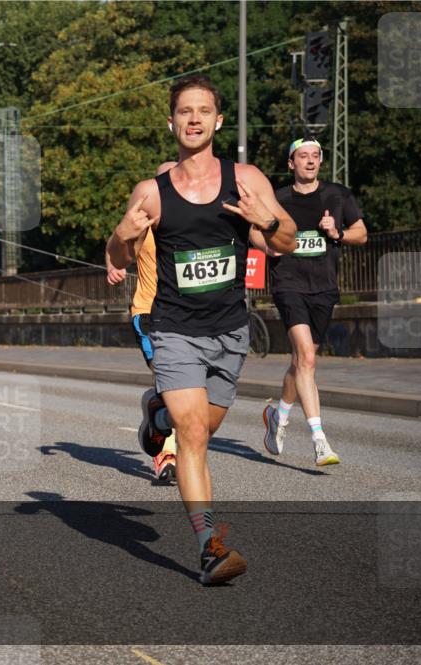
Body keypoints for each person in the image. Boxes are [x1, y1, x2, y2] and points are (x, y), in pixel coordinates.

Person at [107, 75, 296, 585]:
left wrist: (269, 221)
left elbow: (289, 244)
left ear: (218, 120)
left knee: (202, 429)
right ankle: (209, 547)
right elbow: (117, 253)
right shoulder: (152, 191)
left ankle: (158, 411)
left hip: (230, 330)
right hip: (173, 329)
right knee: (193, 436)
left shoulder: (247, 179)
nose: (193, 119)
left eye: (203, 111)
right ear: (171, 123)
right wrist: (120, 239)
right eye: (184, 112)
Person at [262, 138, 368, 465]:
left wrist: (337, 233)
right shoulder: (277, 199)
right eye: (302, 156)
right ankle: (319, 439)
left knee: (302, 361)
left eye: (315, 156)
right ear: (290, 163)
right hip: (288, 283)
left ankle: (278, 415)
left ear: (320, 162)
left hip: (324, 286)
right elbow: (257, 233)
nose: (309, 161)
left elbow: (362, 234)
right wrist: (270, 246)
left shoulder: (337, 195)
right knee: (306, 357)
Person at [107, 161, 180, 483]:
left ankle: (153, 413)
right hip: (149, 312)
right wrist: (113, 264)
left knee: (190, 391)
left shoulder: (197, 219)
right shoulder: (146, 218)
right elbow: (117, 242)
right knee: (171, 385)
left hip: (190, 316)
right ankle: (167, 458)